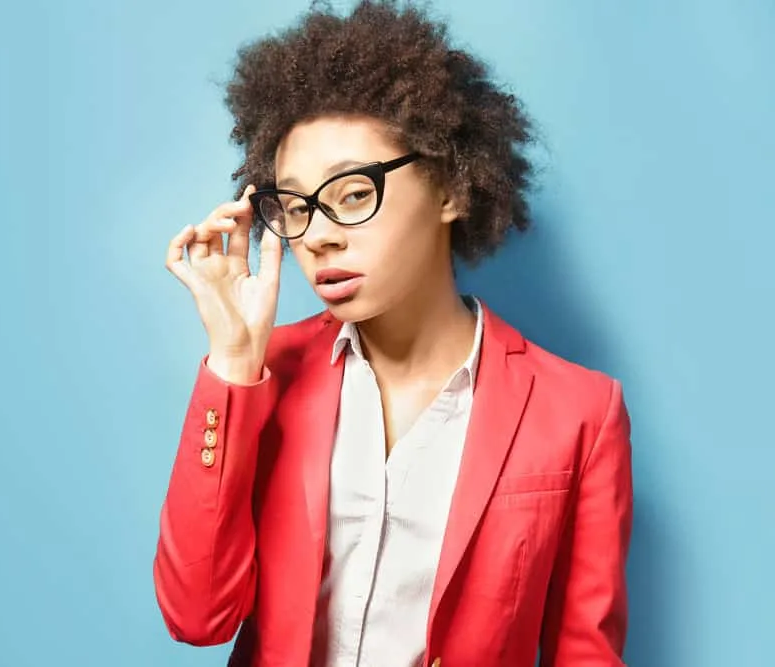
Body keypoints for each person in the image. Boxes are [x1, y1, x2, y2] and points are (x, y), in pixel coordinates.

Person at [153, 1, 633, 665]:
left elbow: (587, 652)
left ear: (450, 190)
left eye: (352, 193)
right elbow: (196, 616)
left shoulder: (580, 411)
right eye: (295, 206)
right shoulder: (265, 373)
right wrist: (233, 362)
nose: (318, 235)